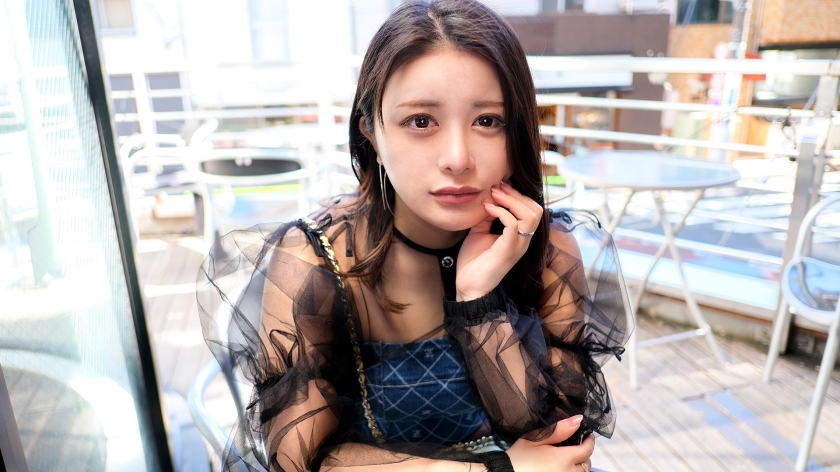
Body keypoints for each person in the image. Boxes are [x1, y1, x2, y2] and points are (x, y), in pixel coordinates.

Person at [197, 1, 632, 471]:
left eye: (488, 120)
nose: (457, 158)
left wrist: (478, 301)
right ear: (371, 133)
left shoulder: (548, 249)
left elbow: (560, 439)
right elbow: (300, 462)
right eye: (421, 121)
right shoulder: (317, 261)